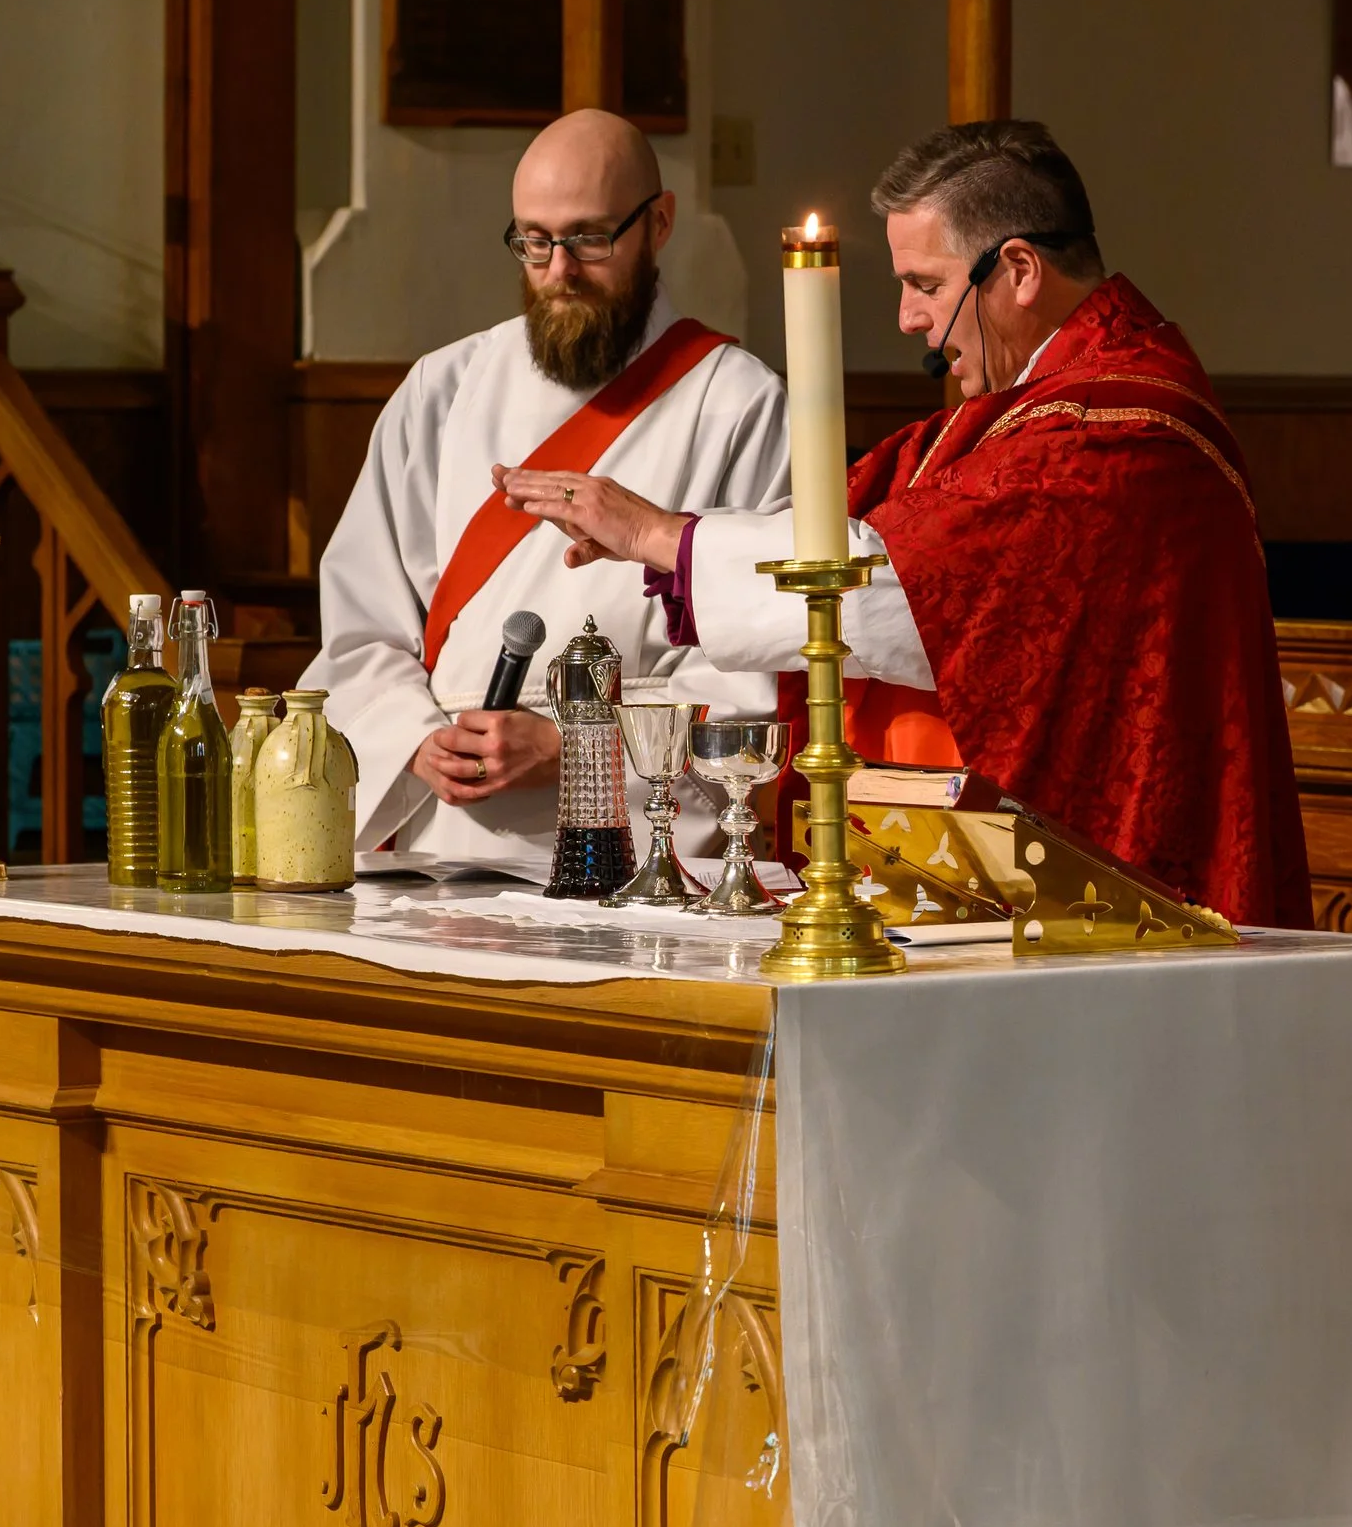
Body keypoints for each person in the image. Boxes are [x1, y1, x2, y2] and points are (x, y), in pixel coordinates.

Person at [498, 120, 1310, 928]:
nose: (908, 319)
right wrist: (674, 543)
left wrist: (659, 536)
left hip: (1132, 895)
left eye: (925, 283)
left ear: (1019, 269)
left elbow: (900, 587)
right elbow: (851, 526)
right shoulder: (1025, 413)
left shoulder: (1117, 430)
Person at [300, 109, 785, 875]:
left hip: (638, 852)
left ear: (659, 223)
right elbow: (363, 626)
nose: (559, 269)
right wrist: (417, 739)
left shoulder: (737, 402)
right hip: (439, 844)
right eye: (534, 239)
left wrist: (570, 746)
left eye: (590, 238)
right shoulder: (443, 388)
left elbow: (752, 665)